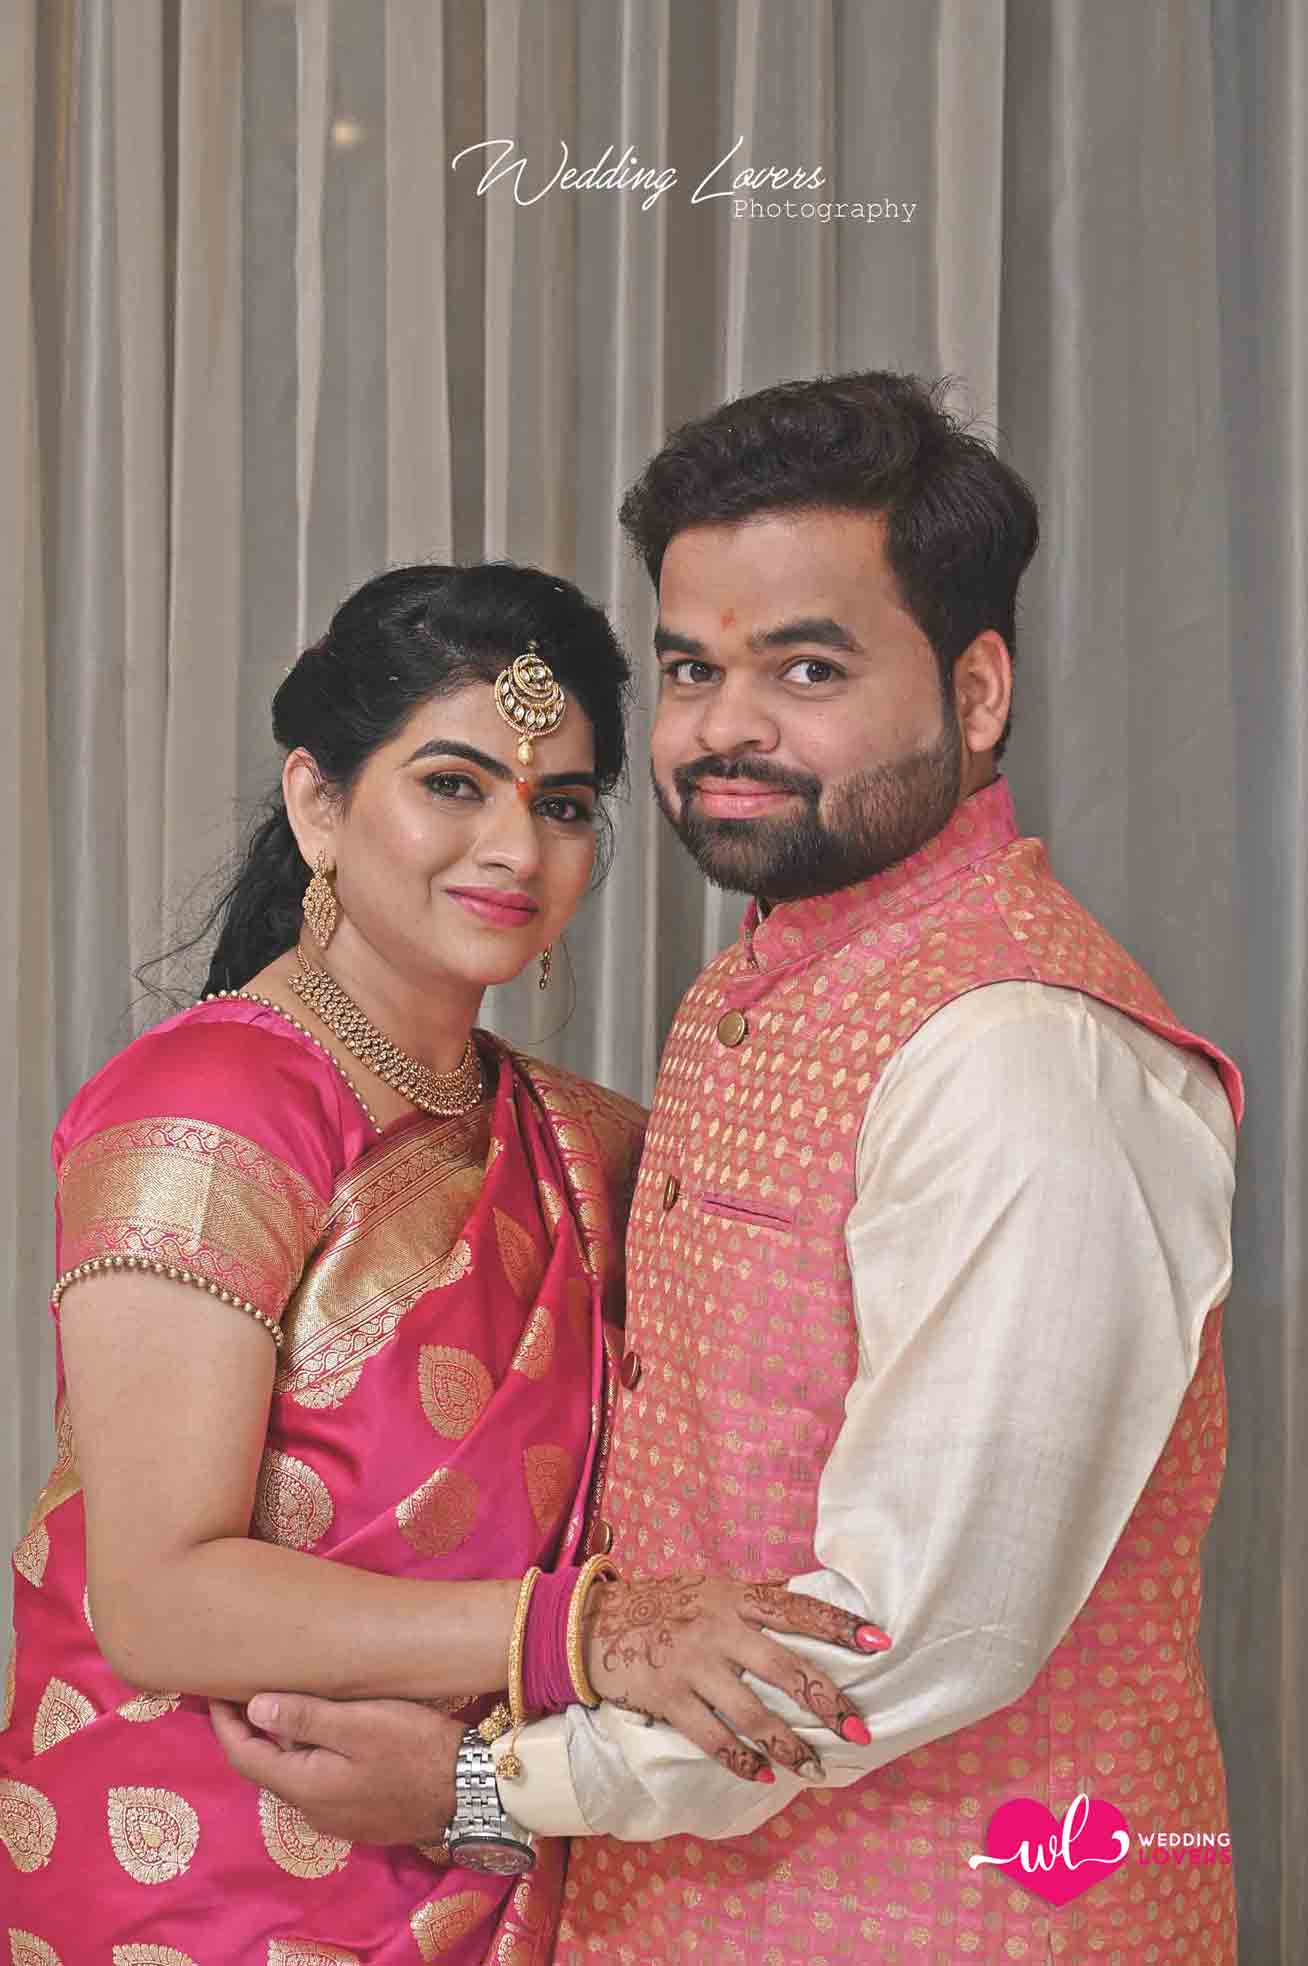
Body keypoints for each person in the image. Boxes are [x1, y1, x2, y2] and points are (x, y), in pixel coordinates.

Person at [217, 378, 1242, 1966]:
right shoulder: (765, 984)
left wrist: (489, 1784)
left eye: (807, 668)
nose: (723, 728)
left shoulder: (1025, 1059)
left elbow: (908, 1631)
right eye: (695, 668)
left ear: (977, 692)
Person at [0, 561, 884, 1966]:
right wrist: (586, 1637)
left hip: (465, 1837)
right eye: (454, 785)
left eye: (564, 805)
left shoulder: (582, 1144)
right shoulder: (209, 1108)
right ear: (317, 804)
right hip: (196, 1876)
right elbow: (161, 1600)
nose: (516, 848)